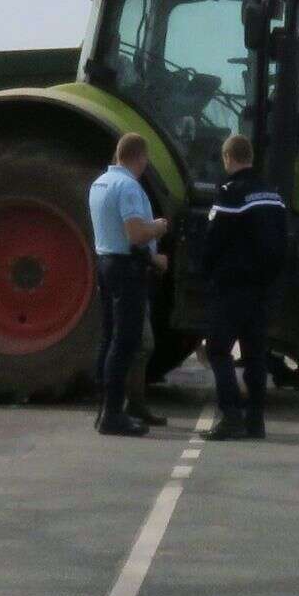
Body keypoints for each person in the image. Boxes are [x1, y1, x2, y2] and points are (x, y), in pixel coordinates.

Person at [200, 132, 291, 440]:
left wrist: (205, 272)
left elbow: (214, 241)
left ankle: (230, 416)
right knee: (255, 354)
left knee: (218, 350)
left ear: (228, 158)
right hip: (262, 287)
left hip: (231, 286)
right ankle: (255, 420)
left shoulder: (230, 193)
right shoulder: (272, 194)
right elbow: (283, 242)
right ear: (251, 156)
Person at [89, 134, 172, 437]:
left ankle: (104, 408)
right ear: (140, 157)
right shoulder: (128, 187)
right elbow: (136, 234)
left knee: (109, 337)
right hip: (126, 270)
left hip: (105, 264)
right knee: (125, 342)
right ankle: (113, 415)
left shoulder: (100, 184)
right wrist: (159, 227)